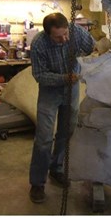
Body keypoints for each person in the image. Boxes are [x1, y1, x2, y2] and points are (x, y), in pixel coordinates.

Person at [28, 12, 95, 203]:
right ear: (48, 33)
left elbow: (92, 47)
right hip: (50, 91)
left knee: (68, 132)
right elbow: (40, 75)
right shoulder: (39, 44)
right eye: (58, 37)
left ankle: (56, 168)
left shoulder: (75, 32)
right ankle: (37, 183)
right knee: (44, 137)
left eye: (65, 34)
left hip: (72, 89)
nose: (64, 39)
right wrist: (64, 78)